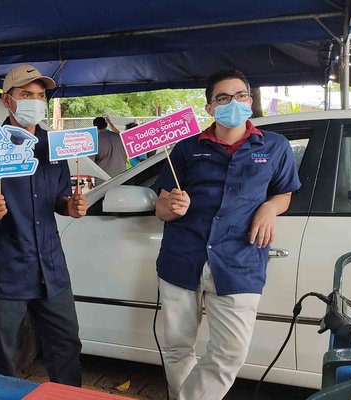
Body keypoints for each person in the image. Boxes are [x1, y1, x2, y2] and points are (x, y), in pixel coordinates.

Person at [155, 69, 301, 400]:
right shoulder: (186, 148)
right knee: (177, 347)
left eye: (239, 96)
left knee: (228, 354)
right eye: (222, 98)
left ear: (250, 101)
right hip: (183, 258)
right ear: (209, 108)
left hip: (239, 260)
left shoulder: (275, 147)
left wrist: (269, 209)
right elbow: (161, 207)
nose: (232, 102)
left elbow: (284, 194)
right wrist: (172, 207)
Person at [0, 64, 86, 386]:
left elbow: (59, 197)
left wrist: (69, 205)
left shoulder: (55, 147)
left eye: (41, 95)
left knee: (67, 344)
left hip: (51, 267)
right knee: (4, 352)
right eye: (26, 94)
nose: (35, 101)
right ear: (7, 100)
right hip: (6, 267)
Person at [92, 114, 127, 178]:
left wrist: (89, 180)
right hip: (122, 175)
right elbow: (119, 133)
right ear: (106, 125)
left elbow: (91, 163)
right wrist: (109, 121)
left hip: (104, 177)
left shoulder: (94, 142)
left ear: (95, 127)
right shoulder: (119, 137)